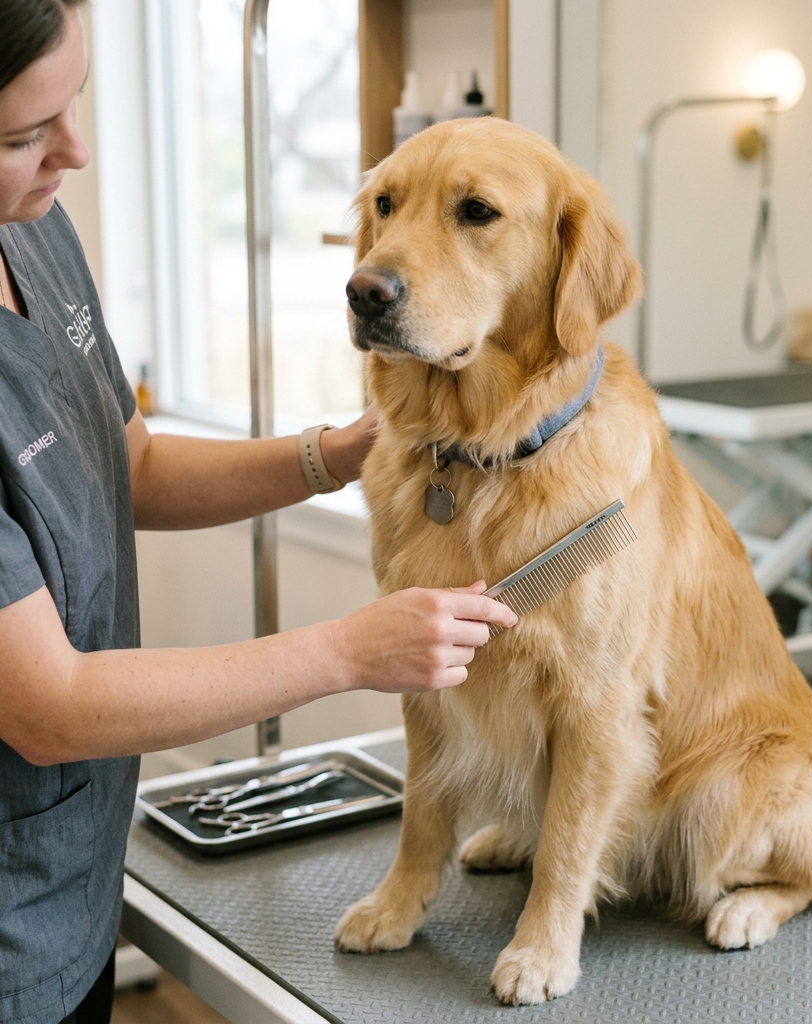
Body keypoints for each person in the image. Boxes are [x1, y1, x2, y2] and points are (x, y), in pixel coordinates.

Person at [0, 3, 516, 1022]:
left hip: (72, 874)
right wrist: (348, 651)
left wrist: (334, 452)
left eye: (77, 106)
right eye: (21, 136)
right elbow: (46, 706)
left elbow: (128, 463)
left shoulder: (36, 230)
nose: (77, 153)